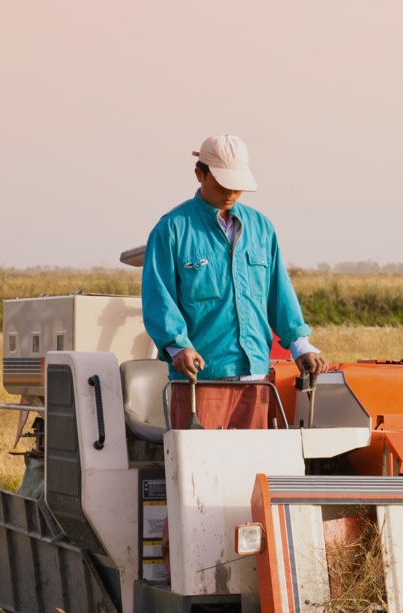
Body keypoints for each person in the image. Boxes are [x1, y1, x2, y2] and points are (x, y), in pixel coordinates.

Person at [141, 134, 328, 430]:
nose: (231, 192)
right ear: (199, 174)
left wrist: (300, 344)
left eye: (236, 185)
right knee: (199, 469)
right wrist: (178, 348)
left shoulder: (262, 227)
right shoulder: (172, 228)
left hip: (256, 380)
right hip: (201, 381)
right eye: (222, 183)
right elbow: (158, 296)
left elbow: (278, 291)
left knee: (252, 468)